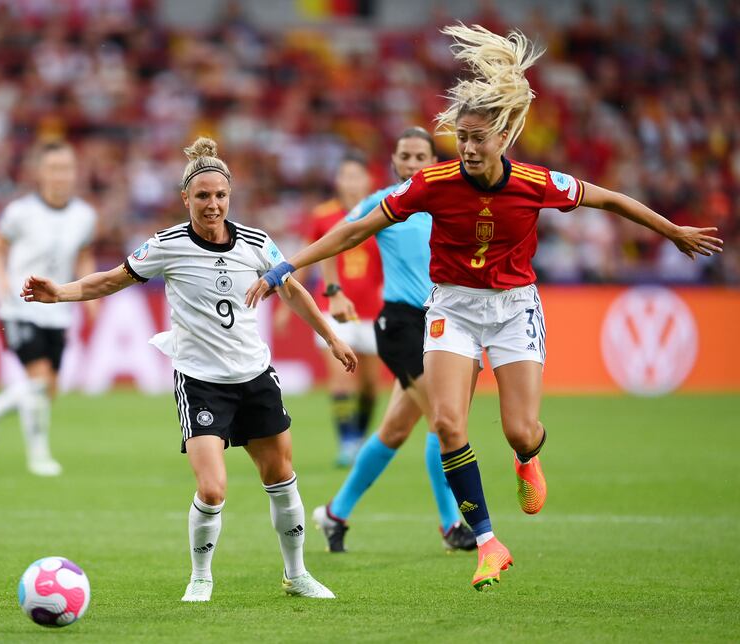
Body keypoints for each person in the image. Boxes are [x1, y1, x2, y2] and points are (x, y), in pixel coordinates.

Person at [246, 24, 723, 590]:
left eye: (478, 138)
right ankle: (488, 542)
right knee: (447, 423)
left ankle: (527, 458)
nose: (468, 148)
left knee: (520, 431)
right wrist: (290, 264)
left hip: (515, 307)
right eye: (462, 138)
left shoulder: (536, 182)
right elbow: (355, 230)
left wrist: (671, 232)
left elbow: (609, 198)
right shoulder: (432, 183)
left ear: (502, 137)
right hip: (451, 307)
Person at [22, 136, 357, 602]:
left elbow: (293, 289)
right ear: (186, 199)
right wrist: (60, 292)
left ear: (229, 196)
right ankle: (201, 576)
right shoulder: (167, 245)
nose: (213, 204)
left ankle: (296, 574)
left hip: (255, 376)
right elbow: (112, 279)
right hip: (201, 381)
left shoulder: (258, 243)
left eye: (220, 195)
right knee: (213, 488)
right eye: (202, 196)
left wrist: (332, 338)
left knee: (281, 478)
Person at [311, 126, 482, 554]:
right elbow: (333, 242)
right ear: (394, 161)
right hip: (401, 326)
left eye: (419, 156)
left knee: (395, 430)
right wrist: (333, 293)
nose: (410, 163)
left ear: (434, 161)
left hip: (446, 322)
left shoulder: (450, 199)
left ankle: (335, 514)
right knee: (445, 421)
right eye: (404, 155)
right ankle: (450, 526)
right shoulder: (383, 203)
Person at [0, 141, 98, 477]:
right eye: (54, 169)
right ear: (41, 173)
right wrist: (1, 281)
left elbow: (84, 255)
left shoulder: (85, 216)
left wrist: (91, 294)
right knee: (40, 380)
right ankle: (39, 455)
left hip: (57, 309)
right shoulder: (21, 212)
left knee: (49, 389)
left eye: (67, 169)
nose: (61, 176)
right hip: (19, 306)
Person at [302, 152, 383, 467]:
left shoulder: (382, 214)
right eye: (345, 176)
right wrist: (286, 296)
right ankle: (347, 442)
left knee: (370, 386)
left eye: (356, 176)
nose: (350, 182)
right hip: (332, 309)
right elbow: (307, 255)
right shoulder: (323, 216)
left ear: (368, 181)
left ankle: (360, 439)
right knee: (340, 378)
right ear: (338, 181)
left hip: (373, 312)